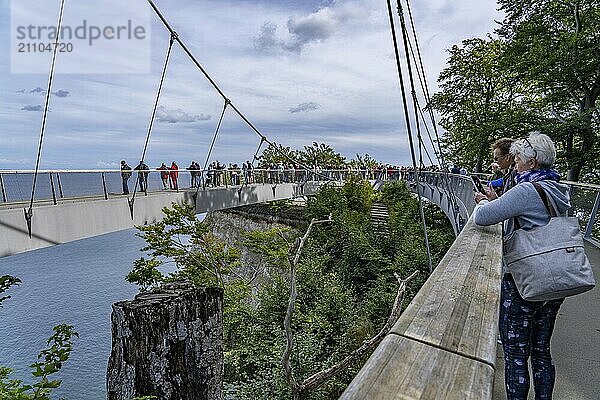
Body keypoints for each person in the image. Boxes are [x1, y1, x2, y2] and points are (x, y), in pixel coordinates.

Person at [473, 132, 569, 400]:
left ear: (533, 163)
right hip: (555, 280)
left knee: (516, 355)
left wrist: (483, 201)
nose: (514, 163)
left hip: (524, 281)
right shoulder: (559, 189)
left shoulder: (526, 190)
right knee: (541, 351)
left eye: (518, 159)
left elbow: (483, 217)